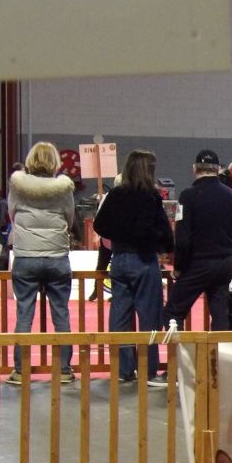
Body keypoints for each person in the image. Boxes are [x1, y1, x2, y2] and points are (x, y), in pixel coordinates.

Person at [93, 149, 174, 386]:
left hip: (119, 259)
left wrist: (119, 235)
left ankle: (122, 368)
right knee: (149, 315)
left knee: (120, 314)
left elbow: (99, 225)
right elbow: (164, 232)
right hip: (144, 259)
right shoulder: (151, 197)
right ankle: (148, 371)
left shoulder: (116, 194)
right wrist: (162, 245)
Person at [6, 142, 76, 384]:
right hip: (56, 256)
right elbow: (70, 216)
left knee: (24, 313)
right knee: (61, 314)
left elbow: (12, 213)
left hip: (25, 256)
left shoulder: (17, 185)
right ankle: (64, 370)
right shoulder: (63, 187)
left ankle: (19, 371)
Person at [162, 149, 232, 330]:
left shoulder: (188, 196)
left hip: (198, 262)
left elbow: (182, 238)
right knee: (220, 312)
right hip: (225, 262)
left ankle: (181, 356)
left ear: (195, 169)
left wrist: (179, 267)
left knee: (173, 312)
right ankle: (219, 355)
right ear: (218, 169)